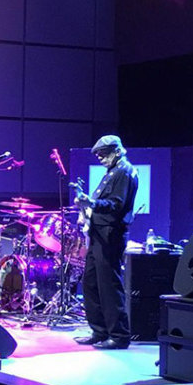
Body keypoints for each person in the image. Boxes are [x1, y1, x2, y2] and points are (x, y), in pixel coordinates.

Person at [74, 135, 139, 350]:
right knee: (91, 283)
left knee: (109, 286)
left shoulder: (123, 172)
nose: (100, 158)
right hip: (99, 233)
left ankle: (119, 336)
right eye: (98, 155)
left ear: (117, 151)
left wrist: (91, 202)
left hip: (110, 234)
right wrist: (86, 205)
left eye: (103, 154)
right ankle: (100, 331)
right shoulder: (113, 172)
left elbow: (116, 205)